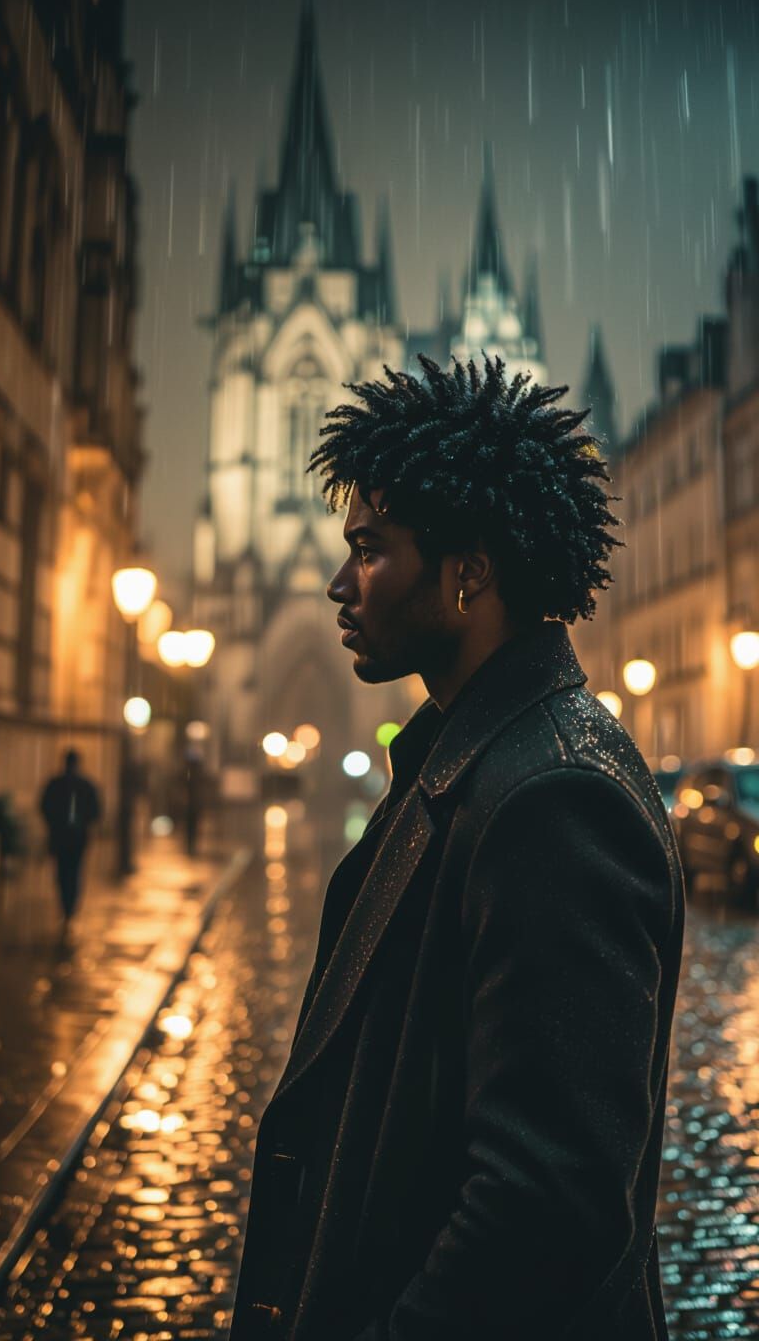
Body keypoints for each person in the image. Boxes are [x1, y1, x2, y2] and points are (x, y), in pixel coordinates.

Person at [230, 356, 685, 1340]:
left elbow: (547, 1208)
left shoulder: (555, 796)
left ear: (469, 571)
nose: (340, 583)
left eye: (372, 549)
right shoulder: (471, 758)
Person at [40, 749, 102, 926]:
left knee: (64, 872)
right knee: (72, 872)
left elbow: (44, 806)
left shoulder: (56, 784)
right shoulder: (84, 785)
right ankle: (69, 906)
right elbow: (95, 811)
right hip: (75, 837)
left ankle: (67, 906)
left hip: (65, 836)